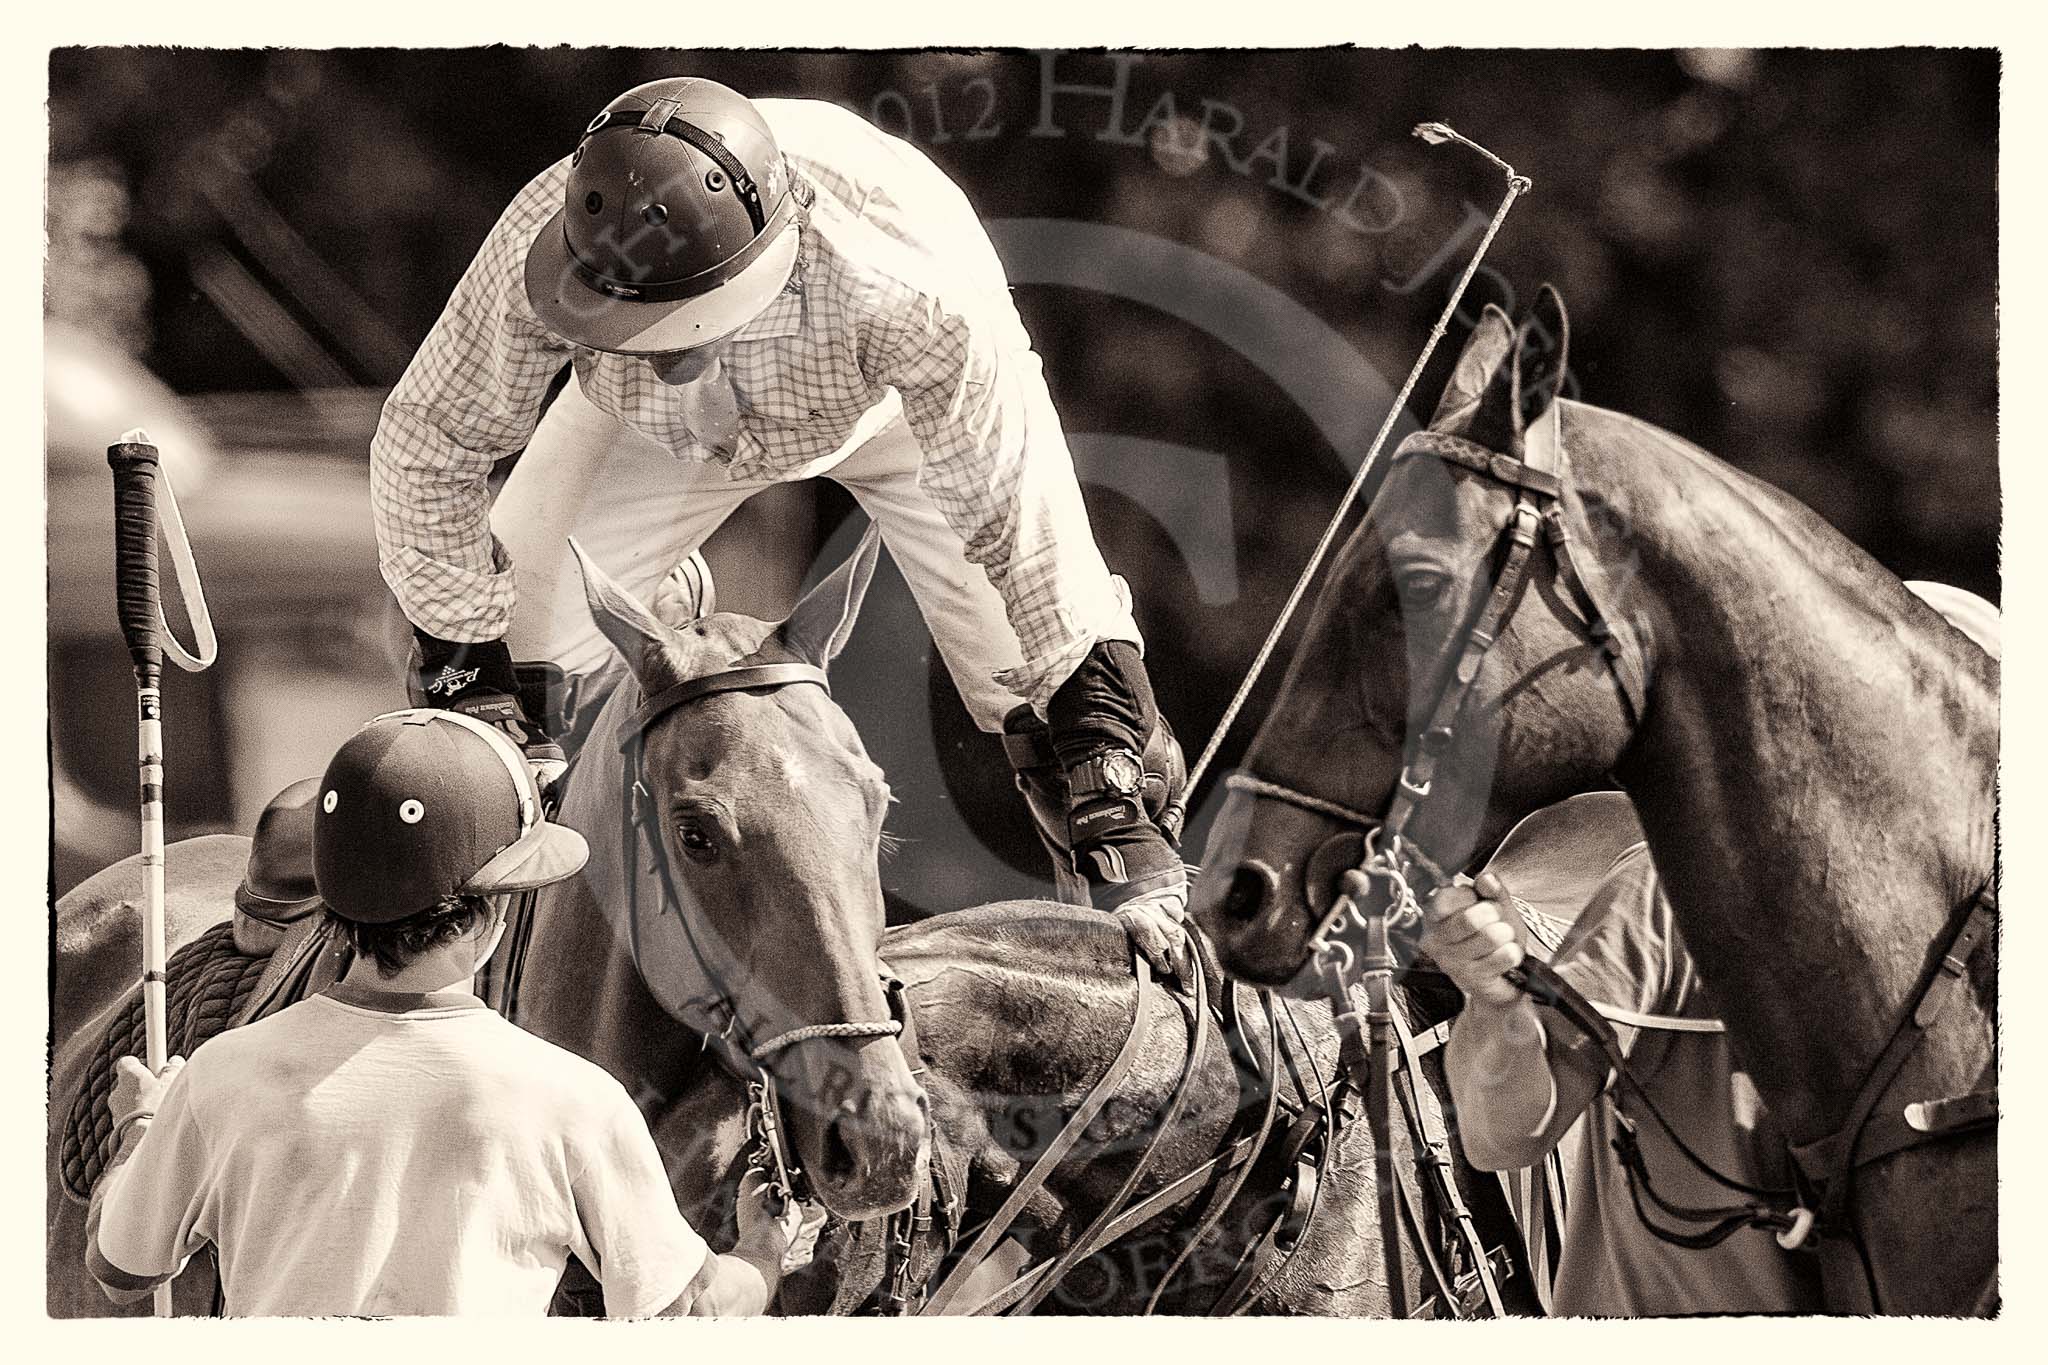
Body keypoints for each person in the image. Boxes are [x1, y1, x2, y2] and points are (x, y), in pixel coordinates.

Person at [369, 75, 1191, 977]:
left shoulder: (910, 297)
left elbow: (1024, 541)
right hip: (647, 429)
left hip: (891, 413)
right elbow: (429, 437)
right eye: (641, 326)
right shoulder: (550, 236)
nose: (671, 355)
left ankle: (1124, 966)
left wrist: (1105, 771)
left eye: (684, 329)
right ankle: (500, 996)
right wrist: (466, 664)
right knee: (506, 697)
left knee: (1044, 703)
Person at [87, 708, 813, 1316]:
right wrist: (763, 1249)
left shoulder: (220, 1075)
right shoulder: (573, 1099)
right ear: (493, 908)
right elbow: (686, 1311)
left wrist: (142, 1123)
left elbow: (119, 1266)